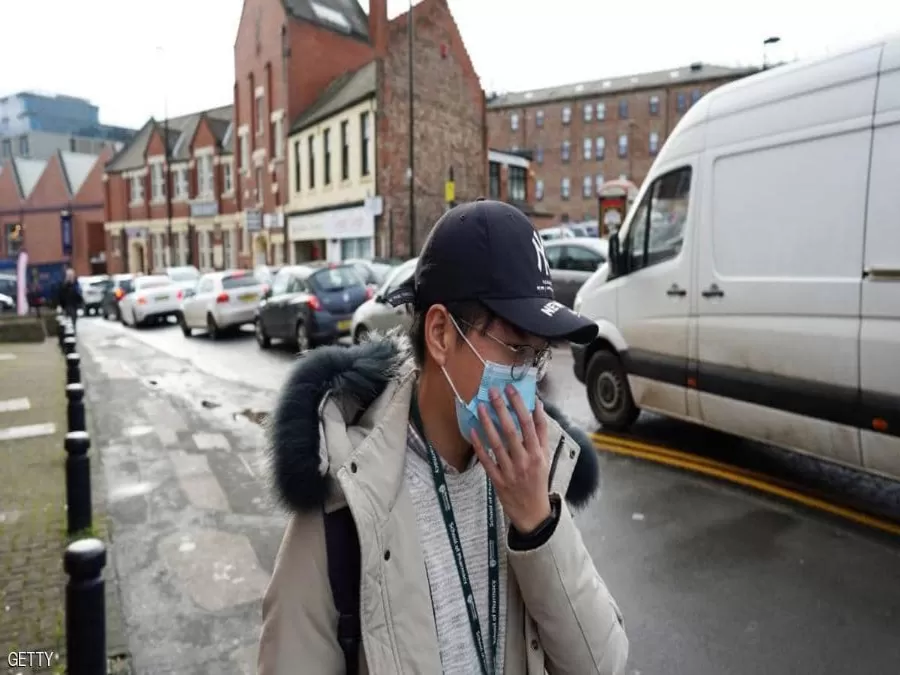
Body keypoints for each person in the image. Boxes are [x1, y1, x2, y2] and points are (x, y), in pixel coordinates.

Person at [259, 199, 628, 674]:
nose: (528, 383)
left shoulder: (535, 468)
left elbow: (606, 664)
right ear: (440, 334)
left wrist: (539, 525)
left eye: (538, 357)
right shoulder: (346, 501)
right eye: (516, 349)